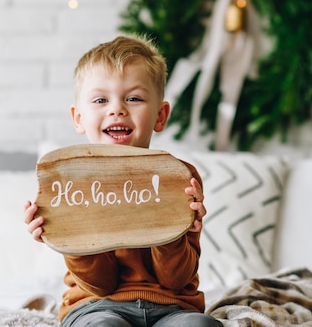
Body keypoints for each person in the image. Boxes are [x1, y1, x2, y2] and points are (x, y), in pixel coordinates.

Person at [23, 35, 222, 327]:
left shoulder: (178, 177)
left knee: (200, 326)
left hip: (173, 308)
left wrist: (173, 228)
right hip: (96, 306)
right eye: (101, 100)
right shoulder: (70, 183)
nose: (117, 109)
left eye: (134, 98)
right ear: (78, 118)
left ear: (160, 115)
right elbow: (101, 284)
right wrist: (69, 238)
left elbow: (176, 278)